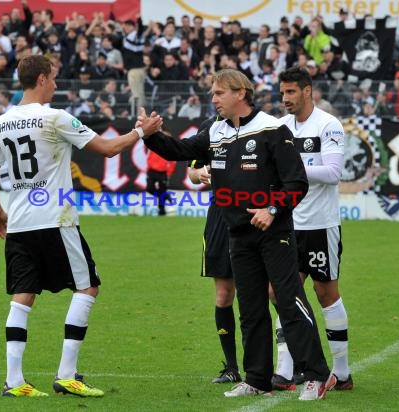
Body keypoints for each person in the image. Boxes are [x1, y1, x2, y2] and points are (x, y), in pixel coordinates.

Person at [139, 68, 331, 401]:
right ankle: (257, 378)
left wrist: (271, 210)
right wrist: (151, 135)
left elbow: (296, 183)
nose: (213, 99)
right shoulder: (216, 131)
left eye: (218, 93)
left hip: (275, 232)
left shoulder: (273, 128)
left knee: (289, 300)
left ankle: (316, 375)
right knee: (251, 307)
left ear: (240, 93)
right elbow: (178, 150)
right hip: (237, 234)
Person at [0, 55, 162, 398]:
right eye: (52, 77)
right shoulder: (55, 118)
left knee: (22, 298)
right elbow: (109, 149)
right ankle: (66, 374)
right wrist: (142, 131)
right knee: (87, 287)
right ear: (39, 80)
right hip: (56, 221)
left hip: (19, 223)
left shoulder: (2, 123)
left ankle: (14, 381)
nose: (56, 84)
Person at [271, 66, 352, 392]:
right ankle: (284, 370)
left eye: (291, 92)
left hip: (320, 224)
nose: (285, 99)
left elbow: (332, 172)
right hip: (288, 224)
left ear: (307, 90)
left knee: (325, 294)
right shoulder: (280, 127)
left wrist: (290, 165)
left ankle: (343, 373)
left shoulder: (328, 125)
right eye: (282, 93)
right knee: (280, 292)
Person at [188, 116, 240, 384]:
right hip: (219, 215)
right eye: (215, 94)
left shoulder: (261, 125)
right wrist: (201, 173)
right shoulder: (209, 128)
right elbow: (192, 173)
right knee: (223, 295)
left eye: (221, 93)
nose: (216, 99)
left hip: (252, 211)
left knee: (268, 293)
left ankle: (286, 364)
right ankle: (231, 367)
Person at [146, 131, 176, 216]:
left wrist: (169, 173)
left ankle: (161, 211)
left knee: (162, 191)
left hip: (163, 172)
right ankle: (166, 197)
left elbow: (173, 162)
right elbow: (149, 156)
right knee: (149, 188)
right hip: (152, 170)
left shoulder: (169, 148)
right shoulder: (153, 145)